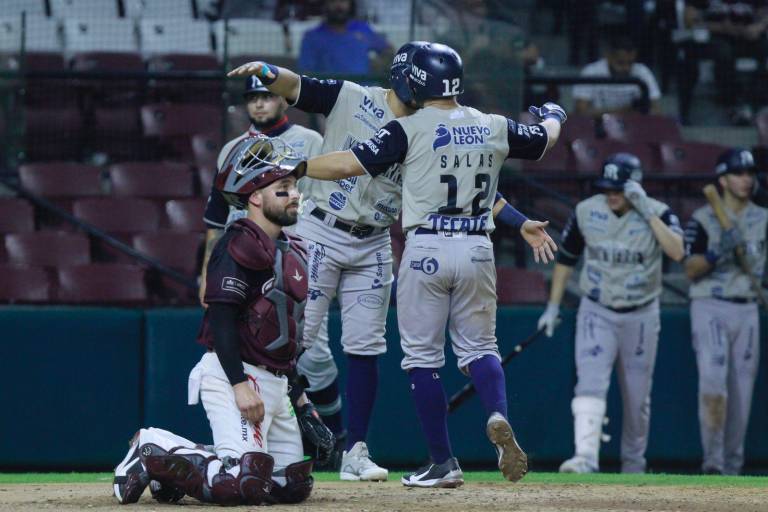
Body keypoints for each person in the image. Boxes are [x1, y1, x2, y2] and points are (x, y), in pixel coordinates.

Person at [227, 42, 549, 482]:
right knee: (292, 341)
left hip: (375, 240)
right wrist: (267, 70)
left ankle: (354, 451)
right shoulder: (354, 97)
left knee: (366, 347)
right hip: (321, 228)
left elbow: (469, 185)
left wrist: (517, 219)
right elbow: (300, 87)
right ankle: (259, 441)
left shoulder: (426, 123)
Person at [113, 135, 333, 506]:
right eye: (283, 189)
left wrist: (301, 398)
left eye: (294, 187)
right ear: (255, 197)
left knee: (290, 486)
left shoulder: (293, 249)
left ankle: (176, 465)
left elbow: (285, 334)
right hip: (236, 373)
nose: (294, 194)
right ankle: (152, 446)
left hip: (276, 383)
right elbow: (221, 320)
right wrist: (239, 384)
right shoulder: (238, 244)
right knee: (241, 485)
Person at [537, 153, 685, 474]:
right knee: (589, 381)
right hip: (597, 307)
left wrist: (645, 209)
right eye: (608, 187)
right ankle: (585, 458)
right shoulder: (587, 210)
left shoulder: (659, 212)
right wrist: (553, 304)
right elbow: (566, 258)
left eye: (619, 188)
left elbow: (677, 251)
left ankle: (634, 464)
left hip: (642, 312)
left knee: (636, 396)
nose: (612, 194)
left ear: (635, 185)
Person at [683, 148, 766, 475]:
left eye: (749, 174)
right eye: (738, 174)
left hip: (748, 307)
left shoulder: (764, 218)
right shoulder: (704, 218)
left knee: (742, 394)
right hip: (711, 305)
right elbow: (690, 268)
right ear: (723, 179)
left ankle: (733, 466)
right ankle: (713, 463)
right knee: (714, 386)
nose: (746, 179)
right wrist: (718, 253)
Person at [680, 0, 768, 124]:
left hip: (748, 35)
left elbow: (765, 13)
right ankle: (731, 103)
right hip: (716, 36)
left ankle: (755, 101)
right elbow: (689, 19)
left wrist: (758, 27)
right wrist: (719, 27)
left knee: (764, 48)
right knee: (723, 53)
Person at [573, 35, 662, 117]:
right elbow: (580, 112)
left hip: (634, 126)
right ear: (608, 56)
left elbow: (656, 112)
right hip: (596, 125)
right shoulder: (590, 72)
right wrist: (625, 111)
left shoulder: (642, 72)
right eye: (621, 63)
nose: (626, 68)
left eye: (630, 63)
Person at [298, 0, 391, 75]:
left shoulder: (362, 29)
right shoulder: (312, 37)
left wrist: (378, 64)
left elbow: (389, 51)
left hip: (365, 93)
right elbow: (306, 75)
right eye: (333, 1)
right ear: (325, 4)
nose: (339, 6)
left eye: (343, 1)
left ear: (350, 3)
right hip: (330, 95)